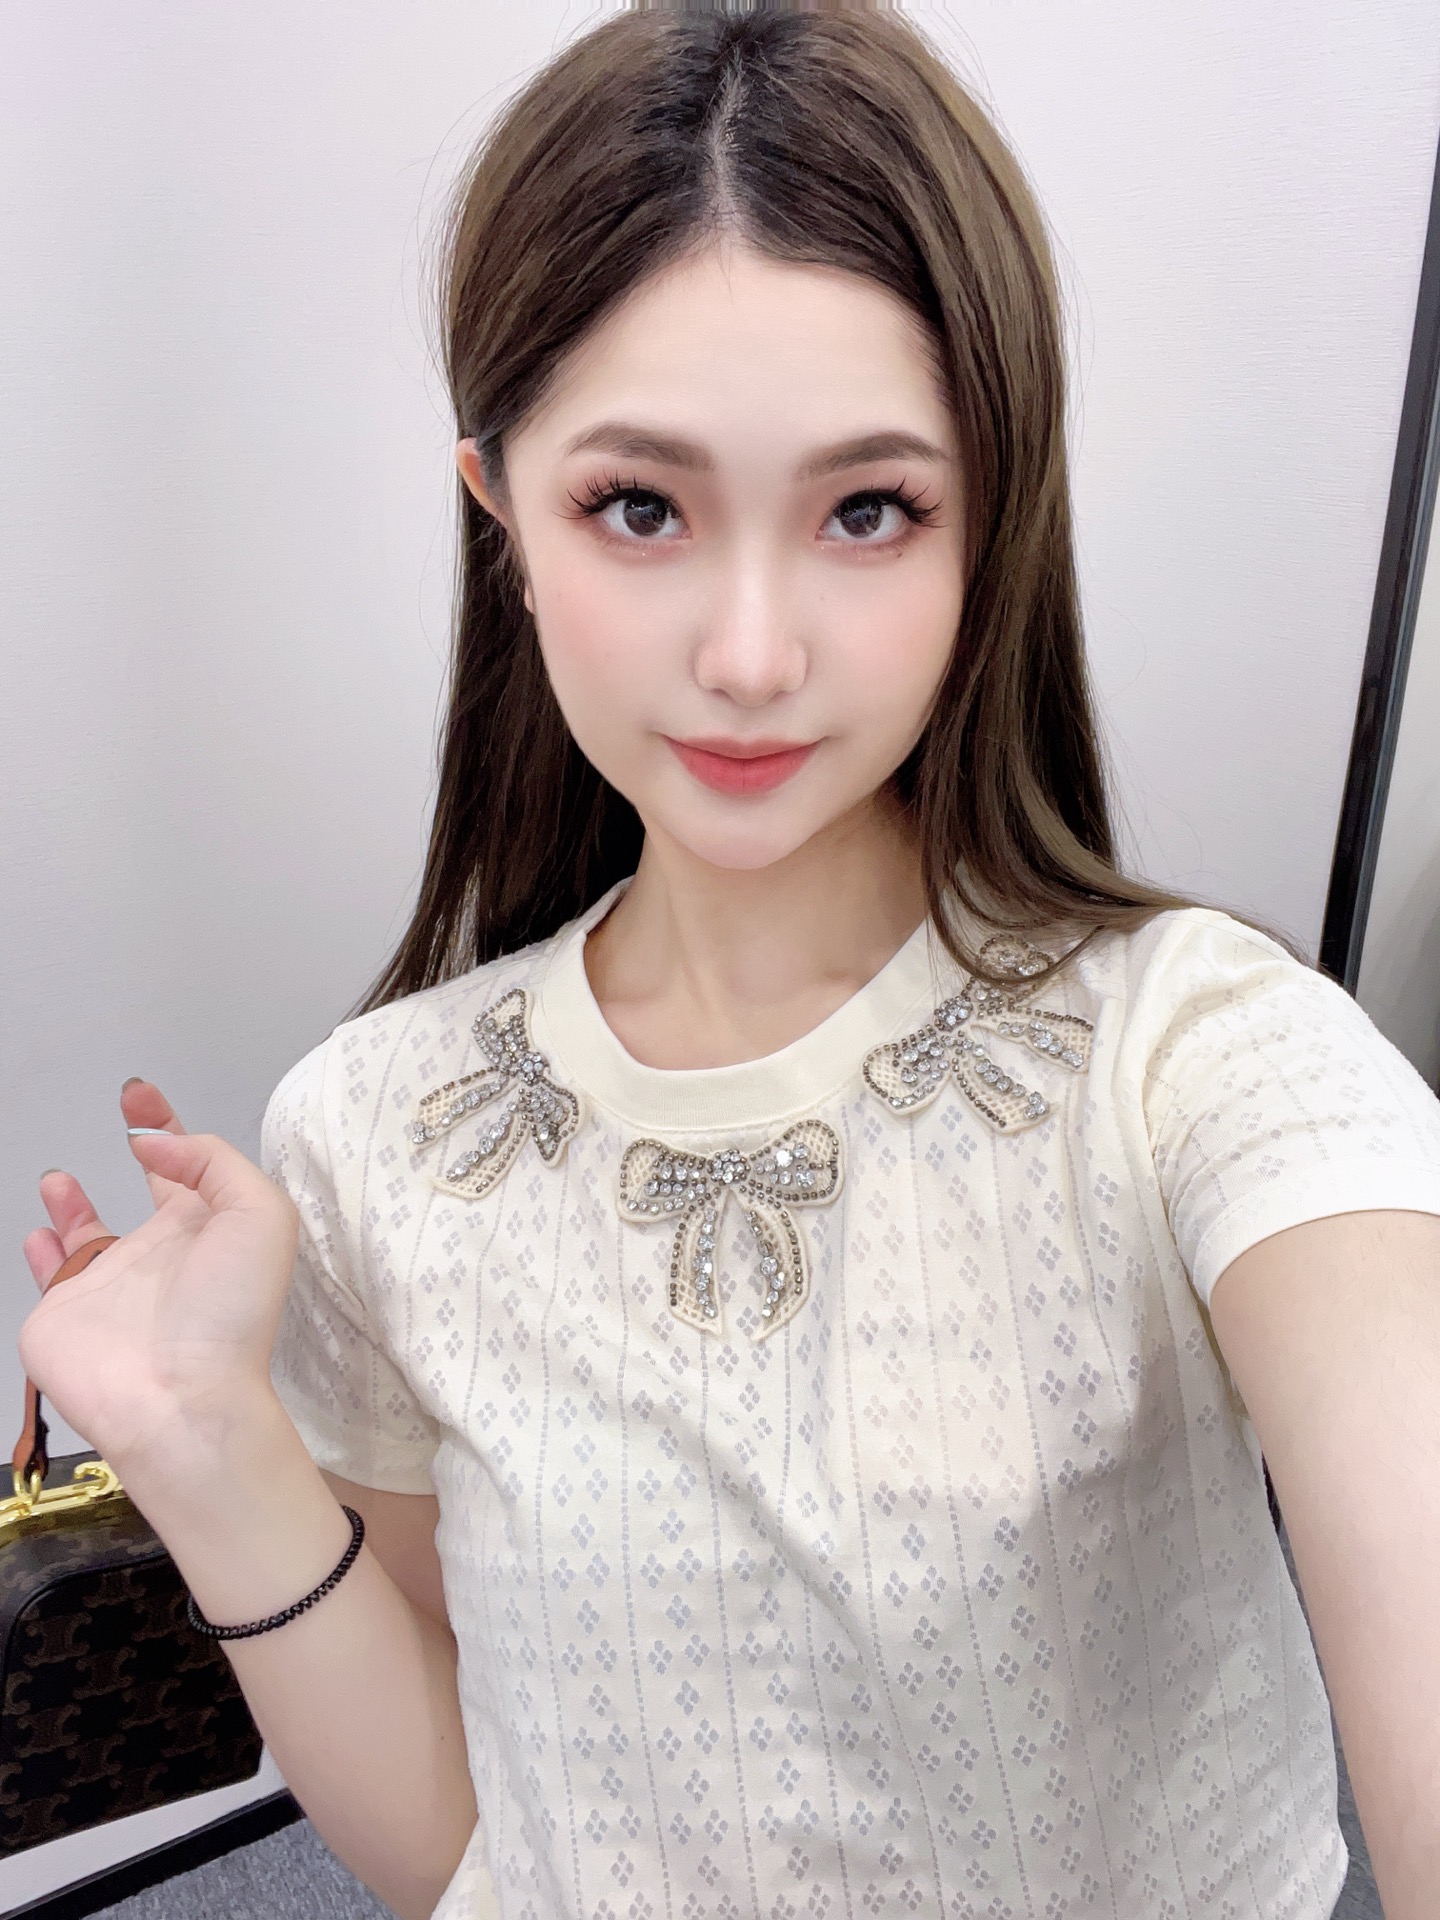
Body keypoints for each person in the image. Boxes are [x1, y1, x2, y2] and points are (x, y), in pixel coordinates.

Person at [20, 8, 1440, 1919]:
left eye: (869, 509)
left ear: (989, 522)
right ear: (502, 518)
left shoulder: (1201, 1051)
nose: (752, 654)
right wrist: (202, 1441)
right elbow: (483, 1844)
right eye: (639, 507)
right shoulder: (377, 1133)